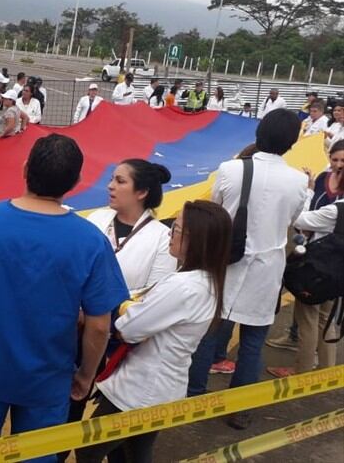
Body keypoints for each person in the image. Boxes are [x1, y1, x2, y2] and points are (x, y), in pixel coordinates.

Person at [0, 134, 128, 457]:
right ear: (76, 182)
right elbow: (100, 326)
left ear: (25, 169)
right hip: (48, 378)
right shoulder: (90, 241)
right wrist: (84, 377)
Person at [76, 201, 233, 463]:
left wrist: (122, 310)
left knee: (90, 448)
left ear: (196, 240)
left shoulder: (183, 286)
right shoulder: (206, 280)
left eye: (177, 229)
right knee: (131, 451)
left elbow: (128, 329)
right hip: (160, 385)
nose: (171, 233)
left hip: (140, 389)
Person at [187, 109, 310, 430]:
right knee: (253, 341)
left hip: (226, 260)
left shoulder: (230, 170)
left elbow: (217, 208)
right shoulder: (299, 181)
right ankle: (238, 409)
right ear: (291, 143)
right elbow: (294, 218)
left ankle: (193, 396)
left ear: (259, 135)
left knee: (208, 331)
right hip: (268, 270)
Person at [266, 139, 344, 379]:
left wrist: (308, 191)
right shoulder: (324, 180)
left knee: (309, 319)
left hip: (318, 265)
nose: (338, 167)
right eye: (335, 160)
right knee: (326, 318)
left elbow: (300, 218)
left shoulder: (336, 210)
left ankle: (302, 374)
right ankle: (325, 372)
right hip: (335, 266)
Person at [88, 160, 177, 291]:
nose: (110, 186)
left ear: (141, 192)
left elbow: (155, 292)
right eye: (112, 179)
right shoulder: (96, 218)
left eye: (120, 181)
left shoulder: (163, 238)